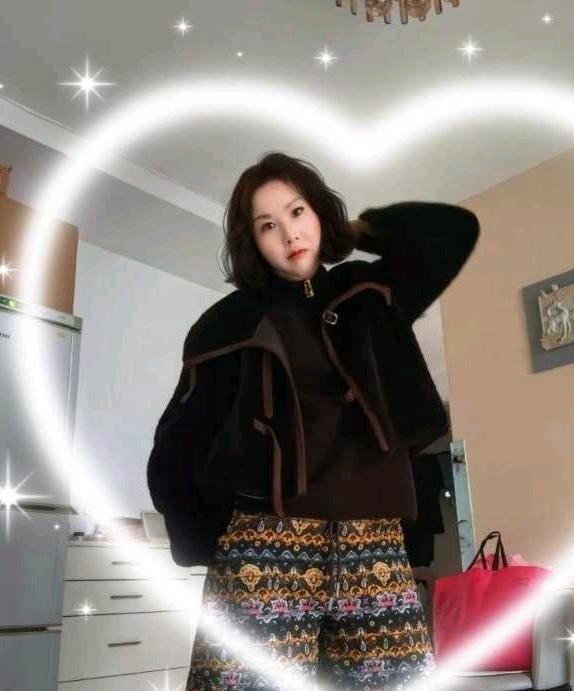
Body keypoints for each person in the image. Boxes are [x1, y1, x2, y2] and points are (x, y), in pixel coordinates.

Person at [146, 151, 479, 690]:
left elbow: (453, 231)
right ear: (252, 242)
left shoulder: (370, 293)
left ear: (319, 212)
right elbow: (177, 446)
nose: (289, 234)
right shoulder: (224, 325)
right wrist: (211, 543)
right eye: (267, 225)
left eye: (298, 212)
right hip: (265, 545)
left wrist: (355, 230)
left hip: (374, 543)